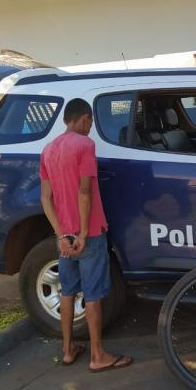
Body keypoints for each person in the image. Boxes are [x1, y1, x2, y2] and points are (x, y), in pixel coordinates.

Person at [39, 98, 133, 373]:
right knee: (92, 294)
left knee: (67, 291)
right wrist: (82, 233)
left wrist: (61, 235)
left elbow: (46, 198)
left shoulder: (48, 150)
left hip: (63, 236)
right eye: (90, 122)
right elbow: (84, 192)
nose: (90, 127)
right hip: (88, 233)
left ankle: (67, 350)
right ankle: (97, 355)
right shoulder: (85, 146)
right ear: (83, 118)